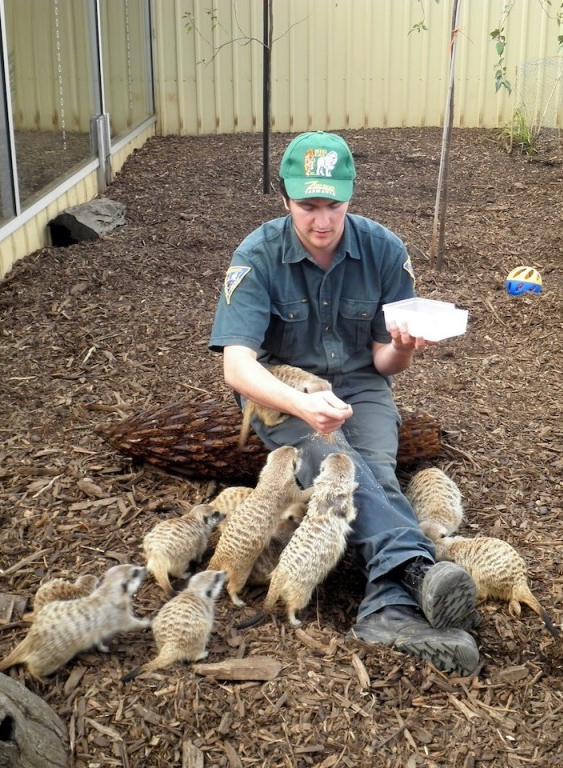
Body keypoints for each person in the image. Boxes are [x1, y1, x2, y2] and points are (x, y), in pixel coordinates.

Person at [208, 131, 480, 675]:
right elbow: (237, 368)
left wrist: (402, 346)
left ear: (350, 197)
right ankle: (412, 575)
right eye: (308, 206)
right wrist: (302, 405)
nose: (322, 221)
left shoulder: (384, 250)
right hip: (285, 391)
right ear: (285, 199)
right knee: (342, 467)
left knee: (371, 467)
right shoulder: (256, 255)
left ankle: (389, 604)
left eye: (333, 205)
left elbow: (384, 364)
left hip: (361, 387)